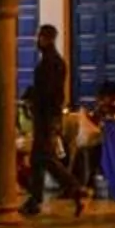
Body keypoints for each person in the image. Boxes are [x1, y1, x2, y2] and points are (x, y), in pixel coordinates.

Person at [24, 24, 73, 216]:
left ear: (46, 38)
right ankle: (34, 199)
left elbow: (48, 92)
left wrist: (34, 99)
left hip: (46, 116)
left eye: (40, 37)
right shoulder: (52, 61)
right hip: (48, 115)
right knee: (39, 159)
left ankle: (74, 186)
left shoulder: (50, 63)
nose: (37, 40)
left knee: (44, 157)